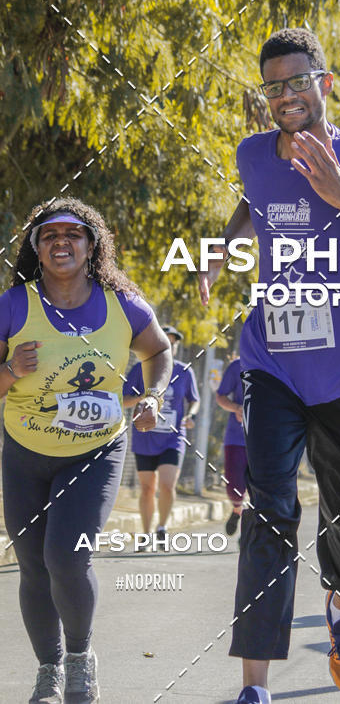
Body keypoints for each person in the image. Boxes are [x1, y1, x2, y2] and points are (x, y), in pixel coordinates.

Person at [199, 28, 340, 704]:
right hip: (272, 362)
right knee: (267, 511)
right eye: (273, 85)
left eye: (298, 80)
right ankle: (255, 686)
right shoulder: (252, 153)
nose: (286, 95)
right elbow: (256, 196)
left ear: (324, 83)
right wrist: (223, 245)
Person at [0, 197, 172, 704]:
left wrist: (153, 394)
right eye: (49, 236)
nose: (61, 243)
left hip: (94, 451)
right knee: (32, 564)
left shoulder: (123, 303)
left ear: (91, 245)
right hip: (25, 450)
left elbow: (158, 350)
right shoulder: (14, 306)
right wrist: (12, 372)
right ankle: (48, 671)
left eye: (72, 234)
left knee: (66, 557)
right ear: (36, 248)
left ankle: (79, 660)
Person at [123, 325, 200, 546]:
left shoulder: (185, 371)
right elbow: (123, 399)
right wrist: (144, 399)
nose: (170, 345)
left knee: (167, 484)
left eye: (173, 342)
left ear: (175, 346)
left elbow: (194, 400)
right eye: (164, 340)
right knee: (147, 488)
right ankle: (146, 534)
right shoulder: (139, 370)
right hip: (144, 436)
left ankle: (162, 528)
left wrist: (190, 415)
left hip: (173, 437)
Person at [215, 353, 247, 537]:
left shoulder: (278, 362)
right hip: (237, 436)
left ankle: (249, 533)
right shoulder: (237, 366)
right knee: (234, 489)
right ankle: (237, 509)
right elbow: (221, 396)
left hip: (266, 438)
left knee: (260, 488)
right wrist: (236, 408)